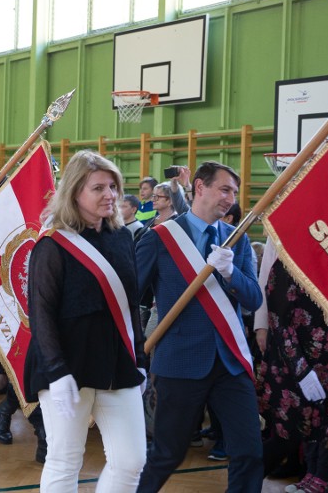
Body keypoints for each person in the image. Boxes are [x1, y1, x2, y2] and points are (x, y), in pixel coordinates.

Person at [23, 149, 147, 492]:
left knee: (131, 460)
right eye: (98, 188)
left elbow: (130, 304)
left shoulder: (122, 238)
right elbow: (41, 312)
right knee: (65, 459)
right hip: (67, 364)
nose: (110, 195)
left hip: (117, 362)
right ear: (75, 191)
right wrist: (57, 371)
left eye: (113, 186)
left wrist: (141, 360)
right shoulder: (52, 245)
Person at [136, 161, 263, 493]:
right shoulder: (161, 237)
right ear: (200, 187)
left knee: (249, 451)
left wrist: (231, 274)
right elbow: (130, 293)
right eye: (224, 189)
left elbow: (254, 300)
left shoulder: (237, 239)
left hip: (231, 363)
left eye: (234, 192)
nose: (230, 199)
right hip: (180, 361)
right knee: (167, 454)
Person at [256, 258, 328, 493]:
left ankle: (320, 475)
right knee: (303, 421)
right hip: (299, 355)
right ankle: (310, 474)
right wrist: (298, 364)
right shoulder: (288, 257)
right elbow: (277, 311)